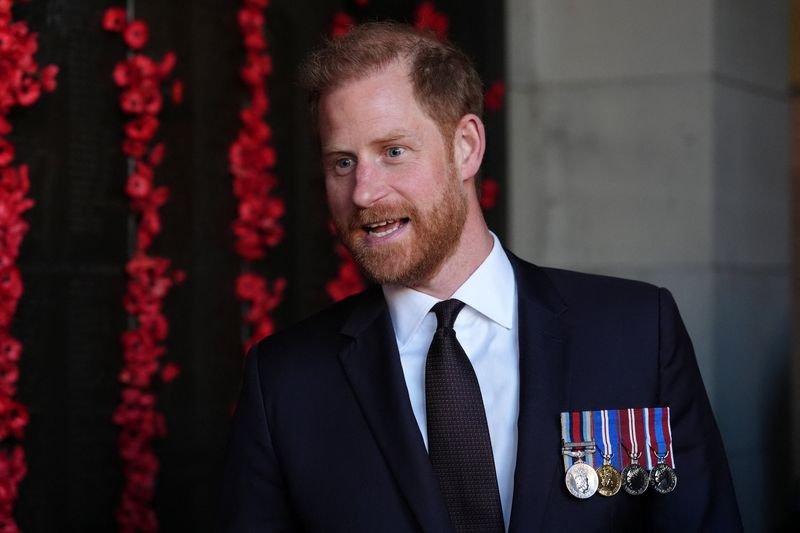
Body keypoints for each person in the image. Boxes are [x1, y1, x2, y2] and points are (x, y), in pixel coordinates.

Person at [220, 22, 743, 532]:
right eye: (342, 163)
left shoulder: (634, 332)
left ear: (466, 146)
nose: (362, 192)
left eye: (393, 152)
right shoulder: (285, 382)